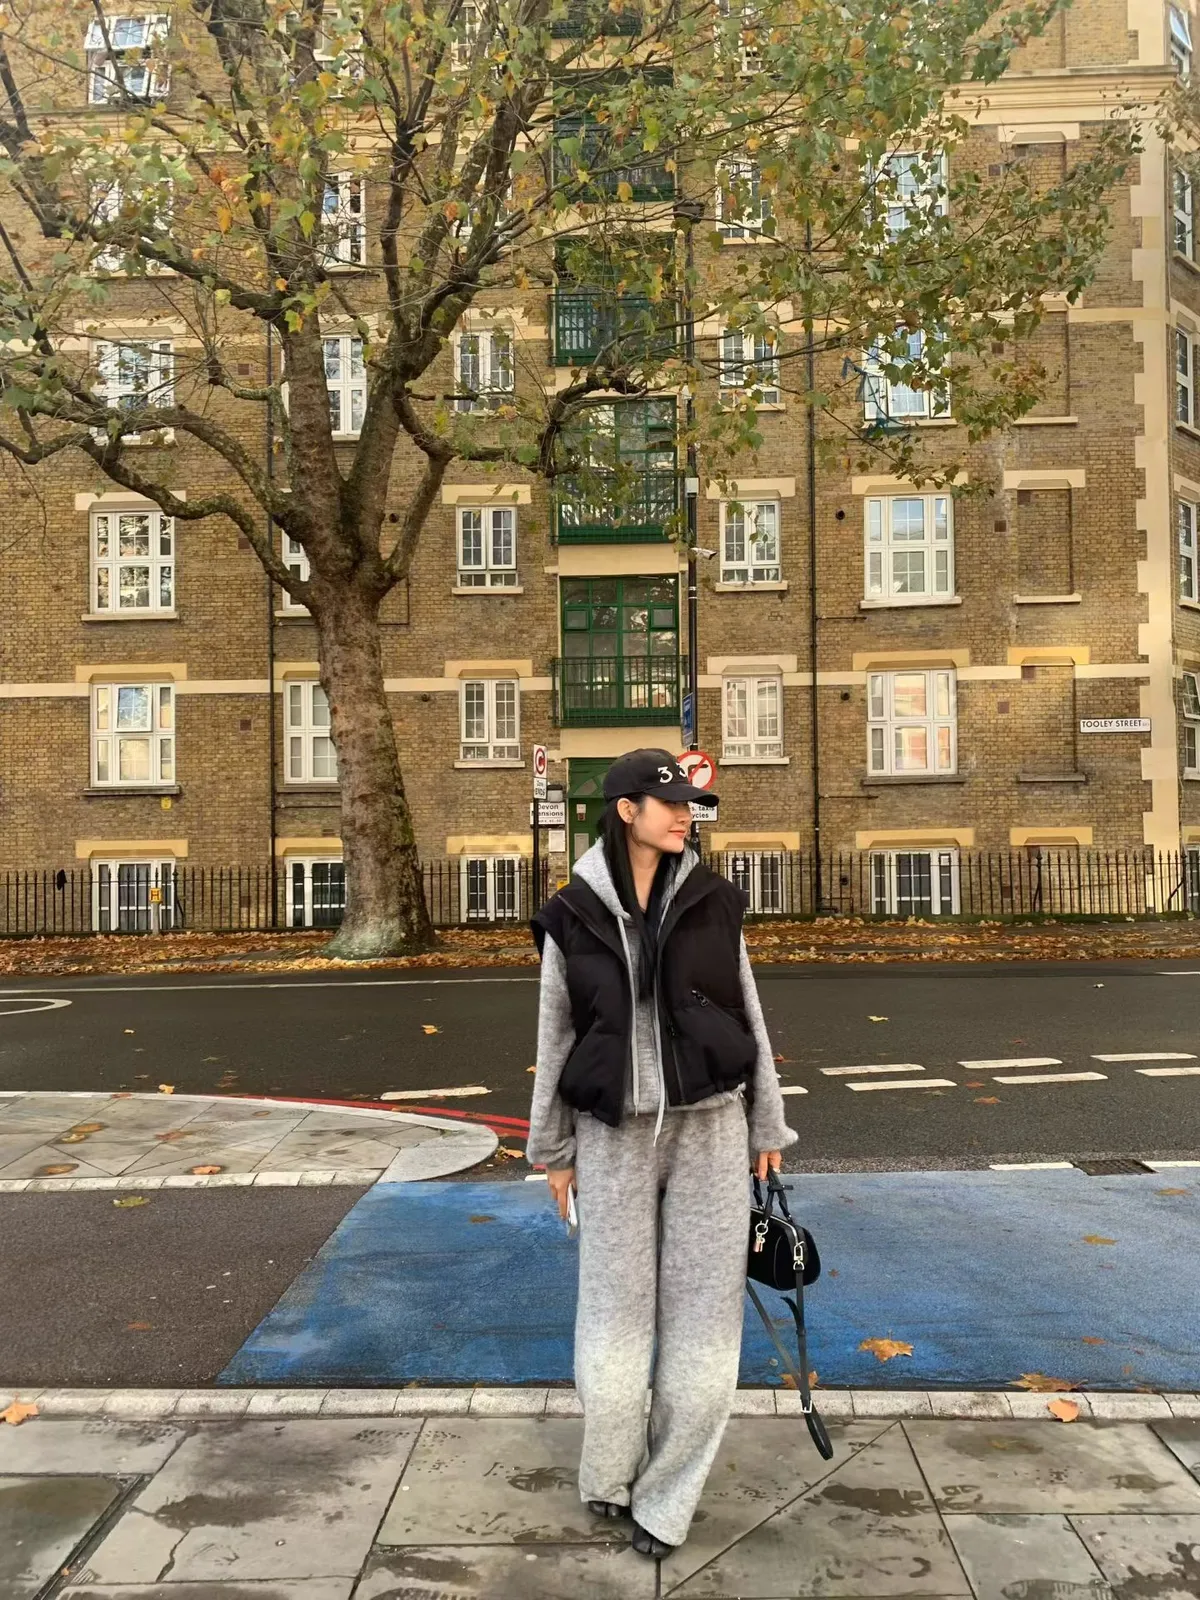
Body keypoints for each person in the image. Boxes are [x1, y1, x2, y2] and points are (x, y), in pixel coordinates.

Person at [528, 747, 798, 1558]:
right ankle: (609, 1472)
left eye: (690, 805)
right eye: (670, 802)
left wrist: (766, 1126)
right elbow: (555, 1034)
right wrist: (554, 1149)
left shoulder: (715, 904)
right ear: (626, 811)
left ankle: (668, 1499)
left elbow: (750, 1017)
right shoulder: (572, 915)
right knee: (612, 1320)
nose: (685, 815)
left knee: (704, 1328)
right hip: (612, 1136)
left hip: (712, 1130)